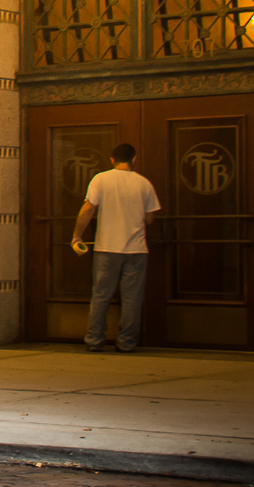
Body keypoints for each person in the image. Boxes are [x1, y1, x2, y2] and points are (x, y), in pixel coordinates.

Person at [71, 141, 161, 353]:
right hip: (137, 250)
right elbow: (149, 219)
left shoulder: (101, 179)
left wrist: (77, 235)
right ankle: (126, 342)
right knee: (132, 298)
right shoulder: (144, 184)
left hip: (106, 247)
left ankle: (94, 340)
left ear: (112, 160)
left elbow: (88, 208)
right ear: (133, 159)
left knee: (101, 295)